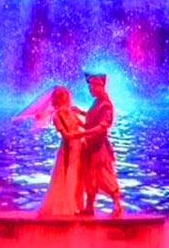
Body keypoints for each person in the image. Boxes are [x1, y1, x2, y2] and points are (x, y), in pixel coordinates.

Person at [37, 86, 85, 217]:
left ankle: (75, 205)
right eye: (65, 99)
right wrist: (84, 134)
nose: (68, 101)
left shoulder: (72, 113)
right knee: (65, 175)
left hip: (77, 148)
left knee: (76, 176)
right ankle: (64, 206)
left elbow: (86, 125)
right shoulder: (57, 116)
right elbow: (66, 135)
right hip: (68, 149)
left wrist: (82, 113)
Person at [80, 73, 123, 217]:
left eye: (92, 86)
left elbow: (103, 125)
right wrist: (79, 114)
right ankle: (89, 207)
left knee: (104, 174)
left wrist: (84, 133)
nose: (90, 89)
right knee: (90, 175)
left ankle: (117, 205)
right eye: (89, 87)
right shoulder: (97, 102)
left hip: (99, 146)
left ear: (100, 86)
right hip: (90, 144)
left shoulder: (105, 104)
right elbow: (91, 119)